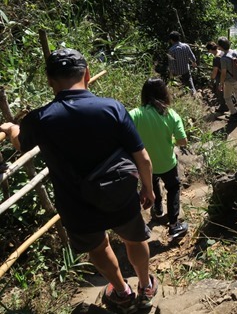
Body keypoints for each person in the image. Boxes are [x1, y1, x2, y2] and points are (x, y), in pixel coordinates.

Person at [0, 48, 158, 312]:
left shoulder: (39, 119)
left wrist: (11, 128)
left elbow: (20, 144)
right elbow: (142, 157)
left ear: (50, 82)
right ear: (87, 74)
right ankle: (145, 286)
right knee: (134, 239)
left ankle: (122, 292)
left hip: (76, 203)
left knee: (97, 248)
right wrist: (148, 189)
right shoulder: (112, 108)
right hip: (119, 194)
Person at [129, 78, 189, 239]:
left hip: (144, 164)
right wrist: (171, 141)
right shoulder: (171, 115)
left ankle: (157, 208)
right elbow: (183, 141)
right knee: (173, 188)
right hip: (167, 162)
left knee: (152, 182)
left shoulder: (135, 114)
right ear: (164, 94)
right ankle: (174, 224)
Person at [217, 36, 237, 121]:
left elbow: (224, 73)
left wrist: (221, 83)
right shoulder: (235, 52)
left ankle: (233, 113)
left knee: (227, 97)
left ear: (221, 47)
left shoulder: (223, 58)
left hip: (230, 81)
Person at [168, 31, 197, 95]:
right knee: (190, 85)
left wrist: (171, 75)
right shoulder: (186, 46)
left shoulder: (171, 50)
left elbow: (171, 65)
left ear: (171, 40)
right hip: (186, 70)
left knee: (179, 88)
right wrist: (194, 62)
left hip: (177, 73)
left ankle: (183, 97)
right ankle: (194, 95)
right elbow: (192, 57)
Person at [206, 41, 227, 112]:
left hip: (221, 76)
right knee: (227, 91)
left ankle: (223, 106)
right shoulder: (222, 52)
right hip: (228, 75)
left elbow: (215, 71)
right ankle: (228, 104)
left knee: (220, 91)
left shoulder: (216, 58)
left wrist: (212, 78)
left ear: (210, 50)